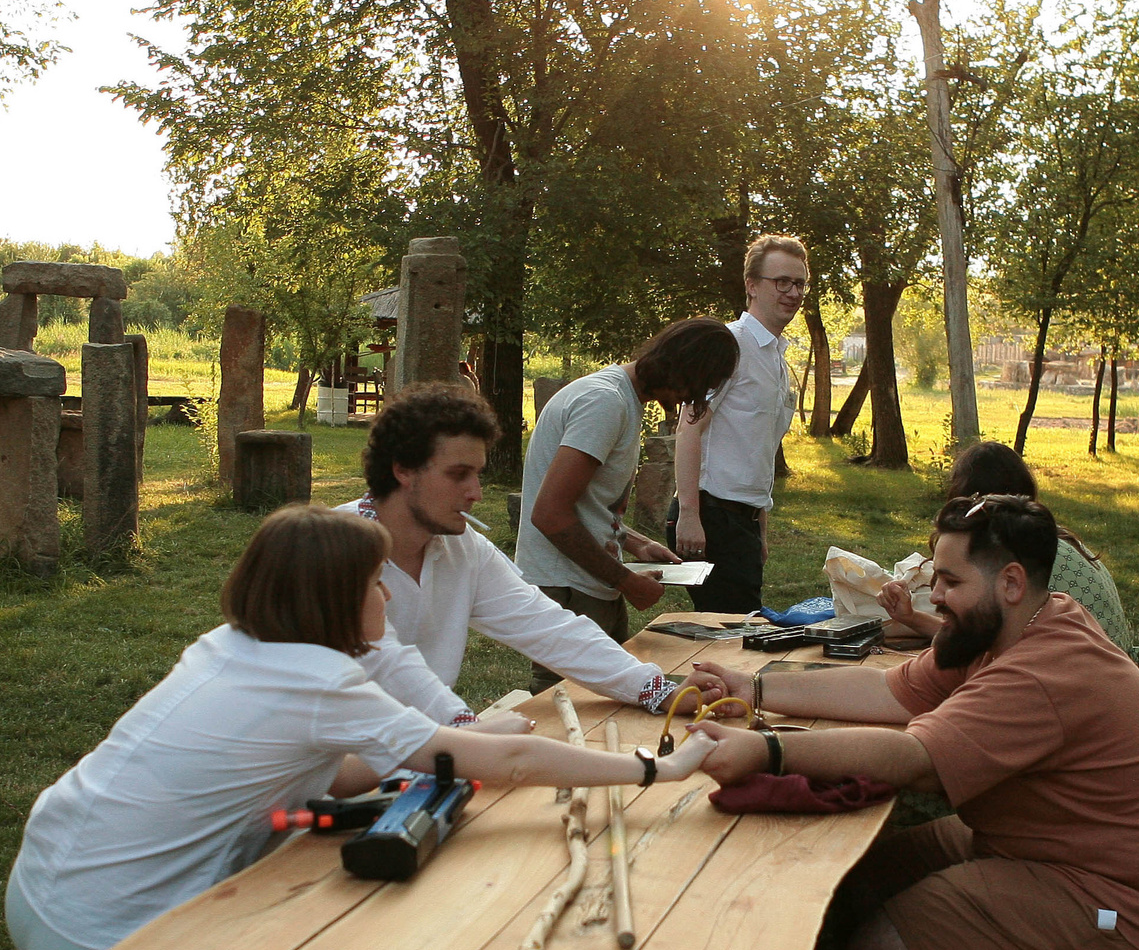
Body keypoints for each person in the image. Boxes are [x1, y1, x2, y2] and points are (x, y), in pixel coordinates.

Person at [5, 505, 718, 950]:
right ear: (340, 599)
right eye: (377, 582)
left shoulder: (234, 647)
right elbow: (516, 765)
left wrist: (454, 744)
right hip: (108, 937)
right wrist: (659, 766)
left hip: (44, 885)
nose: (388, 592)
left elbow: (338, 770)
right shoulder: (321, 679)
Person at [685, 495, 1139, 950]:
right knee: (858, 877)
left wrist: (767, 751)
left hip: (1112, 897)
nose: (937, 597)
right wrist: (754, 689)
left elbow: (917, 761)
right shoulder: (1005, 627)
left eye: (950, 581)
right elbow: (891, 690)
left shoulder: (1043, 670)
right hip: (1032, 841)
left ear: (1012, 583)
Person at [340, 383, 684, 713]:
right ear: (403, 470)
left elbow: (547, 628)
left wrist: (660, 692)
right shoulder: (328, 554)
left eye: (477, 474)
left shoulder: (464, 549)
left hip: (426, 744)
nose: (476, 492)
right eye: (458, 474)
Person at [515, 319, 739, 688]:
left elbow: (586, 503)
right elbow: (549, 514)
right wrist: (628, 582)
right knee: (568, 703)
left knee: (612, 697)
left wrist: (636, 543)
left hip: (589, 581)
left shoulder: (620, 399)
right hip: (568, 588)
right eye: (694, 388)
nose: (690, 400)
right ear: (680, 366)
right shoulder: (604, 402)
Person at [877, 440, 1136, 656]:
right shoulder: (1046, 540)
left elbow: (982, 643)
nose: (937, 596)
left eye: (953, 581)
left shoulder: (1014, 554)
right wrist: (910, 617)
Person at [670, 234, 810, 613]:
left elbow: (758, 450)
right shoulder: (731, 345)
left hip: (742, 523)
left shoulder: (776, 358)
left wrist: (759, 530)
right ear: (751, 285)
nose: (792, 292)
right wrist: (689, 515)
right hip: (712, 517)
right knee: (732, 635)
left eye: (799, 283)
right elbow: (688, 428)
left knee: (735, 631)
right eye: (781, 282)